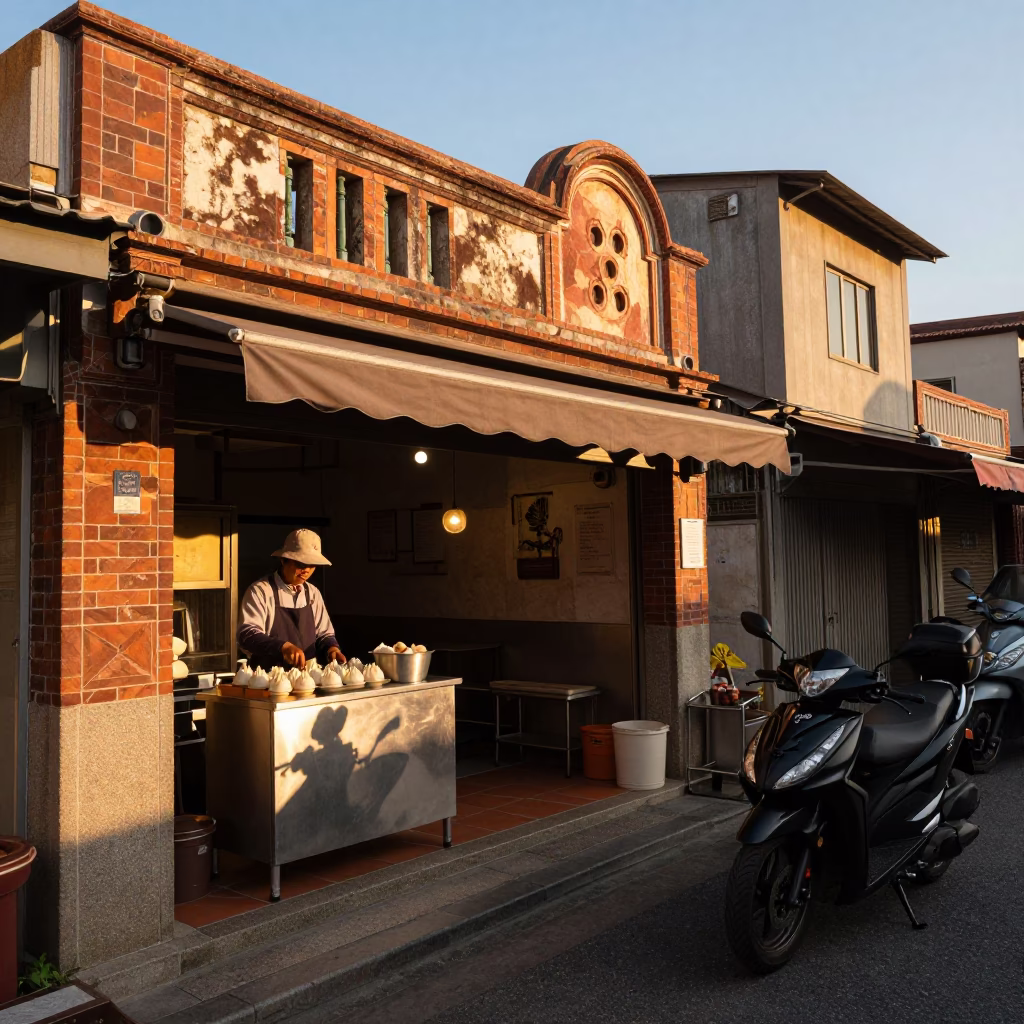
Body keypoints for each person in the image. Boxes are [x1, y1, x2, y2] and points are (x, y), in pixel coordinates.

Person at [238, 529, 345, 670]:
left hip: (307, 677)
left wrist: (332, 649)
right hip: (267, 679)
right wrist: (283, 647)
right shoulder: (261, 591)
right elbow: (247, 635)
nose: (306, 570)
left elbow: (324, 634)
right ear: (283, 560)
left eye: (312, 565)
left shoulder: (313, 593)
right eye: (301, 564)